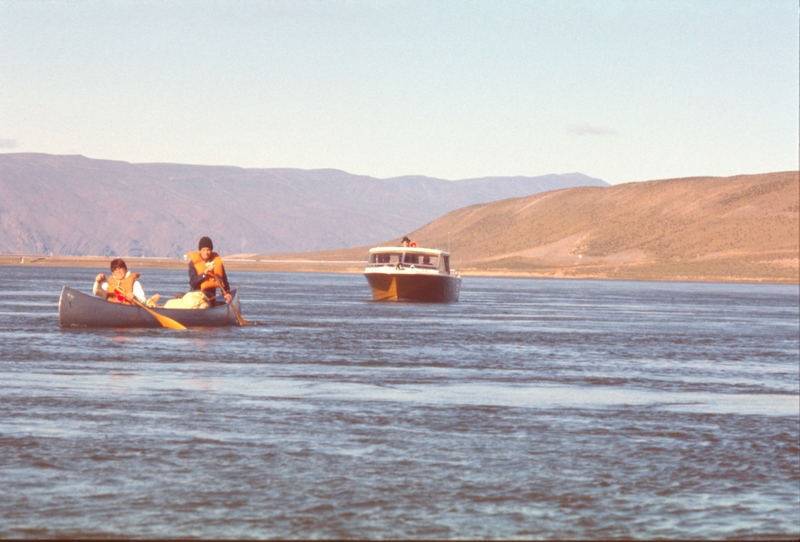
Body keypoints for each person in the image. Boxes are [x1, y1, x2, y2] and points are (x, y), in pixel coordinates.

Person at [187, 236, 232, 305]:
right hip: (194, 294)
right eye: (204, 250)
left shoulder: (217, 263)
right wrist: (205, 272)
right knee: (178, 295)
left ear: (211, 250)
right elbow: (192, 282)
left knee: (203, 294)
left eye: (208, 250)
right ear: (200, 251)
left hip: (209, 296)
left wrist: (227, 294)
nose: (206, 252)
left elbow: (224, 282)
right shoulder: (193, 264)